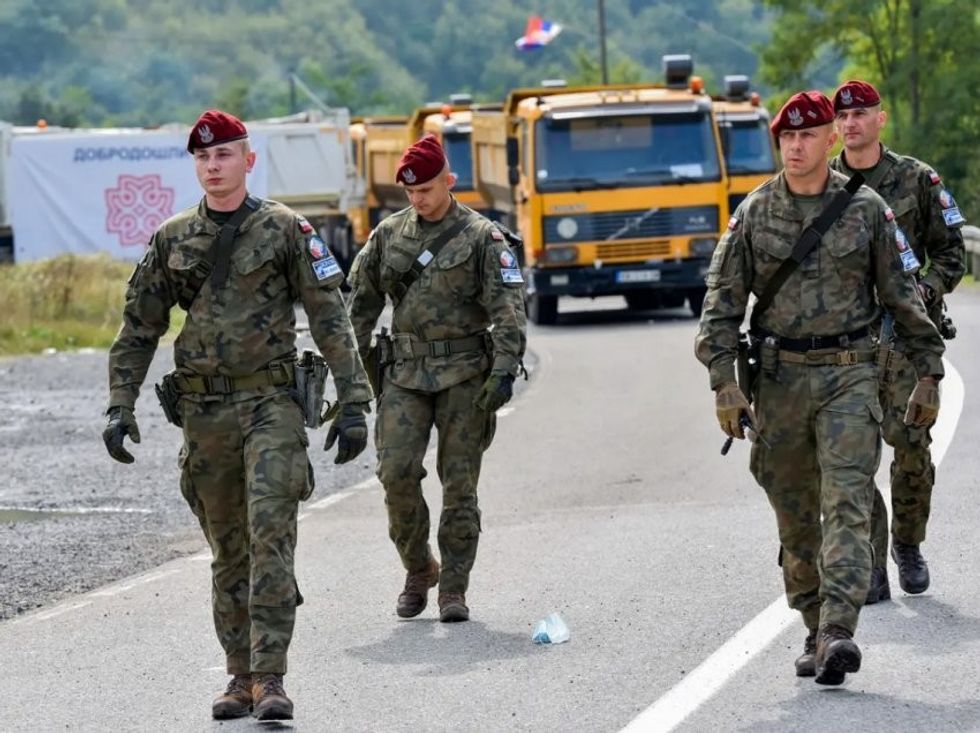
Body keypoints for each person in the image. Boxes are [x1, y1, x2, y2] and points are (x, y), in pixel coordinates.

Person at [102, 109, 373, 721]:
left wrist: (354, 401)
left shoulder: (286, 230)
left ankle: (271, 676)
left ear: (248, 160)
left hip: (271, 405)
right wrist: (120, 404)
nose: (212, 165)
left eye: (223, 154)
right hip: (203, 414)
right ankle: (240, 674)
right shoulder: (173, 238)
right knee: (228, 548)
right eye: (202, 157)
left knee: (269, 533)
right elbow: (139, 327)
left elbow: (329, 317)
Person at [695, 91, 945, 685]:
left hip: (850, 375)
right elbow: (721, 307)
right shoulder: (755, 213)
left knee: (848, 502)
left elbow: (903, 298)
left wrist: (930, 371)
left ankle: (838, 629)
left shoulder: (866, 210)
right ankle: (813, 623)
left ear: (830, 139)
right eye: (787, 137)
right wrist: (724, 384)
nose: (795, 146)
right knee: (797, 515)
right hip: (778, 382)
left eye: (807, 135)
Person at [345, 134, 527, 623]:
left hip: (466, 375)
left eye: (426, 189)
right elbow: (357, 310)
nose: (418, 199)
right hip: (405, 375)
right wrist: (350, 379)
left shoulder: (482, 237)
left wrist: (504, 370)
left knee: (459, 484)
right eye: (410, 192)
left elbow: (508, 309)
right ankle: (419, 567)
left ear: (449, 180)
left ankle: (454, 587)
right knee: (395, 473)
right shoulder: (388, 235)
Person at [830, 80, 966, 603]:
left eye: (861, 114)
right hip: (844, 342)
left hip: (905, 340)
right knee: (850, 457)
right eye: (843, 117)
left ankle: (907, 544)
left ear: (879, 119)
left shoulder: (916, 179)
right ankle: (871, 560)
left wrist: (923, 292)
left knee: (911, 448)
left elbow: (951, 254)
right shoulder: (822, 183)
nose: (851, 123)